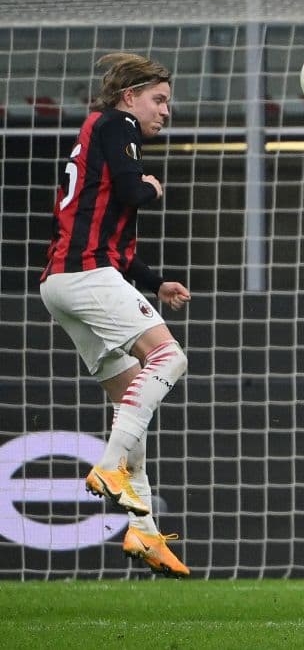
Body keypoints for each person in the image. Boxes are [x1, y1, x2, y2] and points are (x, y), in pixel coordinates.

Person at [39, 52, 190, 578]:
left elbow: (113, 237)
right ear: (131, 97)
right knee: (169, 358)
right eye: (159, 99)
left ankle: (145, 534)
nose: (165, 111)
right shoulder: (119, 123)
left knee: (132, 402)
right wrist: (151, 185)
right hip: (87, 276)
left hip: (62, 282)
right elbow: (132, 193)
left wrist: (154, 283)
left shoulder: (96, 132)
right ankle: (107, 468)